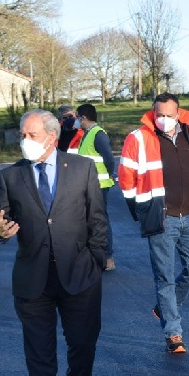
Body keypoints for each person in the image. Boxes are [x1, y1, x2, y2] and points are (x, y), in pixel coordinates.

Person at [0, 109, 108, 376]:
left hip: (80, 276)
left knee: (82, 346)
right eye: (23, 136)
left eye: (32, 135)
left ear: (51, 138)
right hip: (33, 281)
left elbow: (98, 220)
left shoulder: (82, 168)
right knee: (39, 357)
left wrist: (96, 261)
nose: (25, 141)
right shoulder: (11, 176)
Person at [117, 92, 189, 353]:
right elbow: (126, 179)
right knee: (164, 276)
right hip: (161, 217)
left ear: (179, 113)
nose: (164, 119)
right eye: (159, 114)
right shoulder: (139, 138)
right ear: (153, 113)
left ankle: (165, 306)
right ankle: (173, 334)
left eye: (169, 114)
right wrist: (140, 212)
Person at [77, 103, 116, 270]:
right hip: (89, 185)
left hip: (99, 185)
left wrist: (107, 174)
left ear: (83, 118)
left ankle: (108, 258)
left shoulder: (98, 134)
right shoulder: (87, 134)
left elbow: (109, 159)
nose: (77, 121)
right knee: (90, 221)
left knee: (101, 221)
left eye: (78, 117)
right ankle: (94, 256)